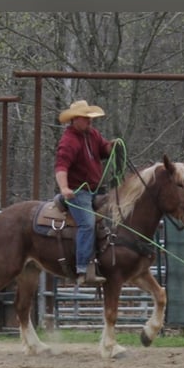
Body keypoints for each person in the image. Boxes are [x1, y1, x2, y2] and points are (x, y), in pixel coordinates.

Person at [54, 99, 116, 285]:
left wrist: (111, 147)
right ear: (75, 120)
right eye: (86, 118)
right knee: (87, 224)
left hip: (96, 190)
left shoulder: (92, 134)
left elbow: (103, 150)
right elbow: (61, 166)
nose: (90, 121)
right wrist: (64, 188)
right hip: (78, 192)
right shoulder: (69, 141)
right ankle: (82, 269)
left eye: (90, 118)